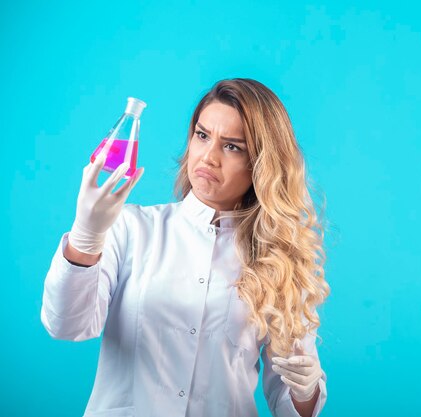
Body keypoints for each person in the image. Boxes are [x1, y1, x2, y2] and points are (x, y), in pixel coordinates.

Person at [41, 78, 330, 417]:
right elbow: (67, 326)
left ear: (261, 165)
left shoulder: (278, 263)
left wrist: (306, 388)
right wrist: (85, 238)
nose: (208, 157)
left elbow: (291, 405)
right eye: (202, 135)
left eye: (232, 146)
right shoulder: (132, 228)